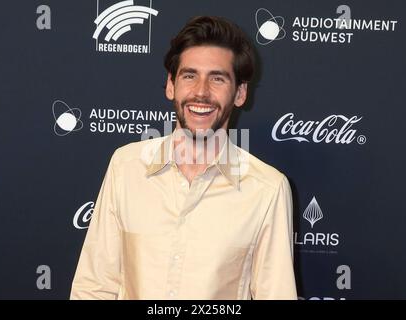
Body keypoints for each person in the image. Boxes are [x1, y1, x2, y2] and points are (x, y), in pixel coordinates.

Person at [70, 16, 297, 300]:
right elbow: (93, 287)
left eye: (217, 78)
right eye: (190, 76)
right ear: (170, 85)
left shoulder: (267, 189)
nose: (201, 92)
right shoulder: (126, 168)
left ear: (240, 93)